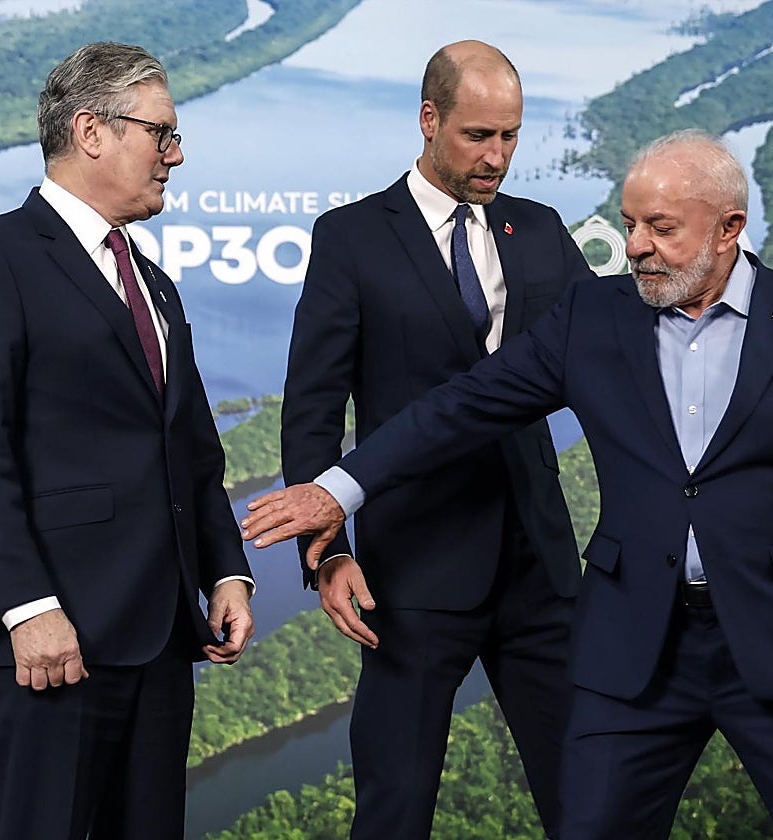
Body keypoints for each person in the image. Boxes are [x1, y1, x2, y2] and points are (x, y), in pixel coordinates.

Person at [243, 129, 773, 839]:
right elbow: (459, 409)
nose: (634, 245)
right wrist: (339, 488)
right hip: (632, 656)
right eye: (631, 223)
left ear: (729, 229)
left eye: (660, 228)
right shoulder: (591, 317)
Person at [0, 41, 255, 839]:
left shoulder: (153, 279)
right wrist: (26, 607)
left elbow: (192, 449)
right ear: (91, 130)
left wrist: (226, 569)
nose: (176, 155)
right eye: (162, 133)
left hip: (162, 637)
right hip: (48, 642)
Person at [279, 40, 594, 838]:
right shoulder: (350, 237)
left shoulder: (543, 229)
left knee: (592, 800)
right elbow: (313, 408)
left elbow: (612, 358)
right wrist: (328, 552)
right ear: (428, 119)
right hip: (411, 574)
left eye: (511, 137)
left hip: (540, 568)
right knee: (396, 806)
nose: (497, 158)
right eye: (478, 136)